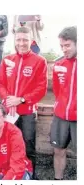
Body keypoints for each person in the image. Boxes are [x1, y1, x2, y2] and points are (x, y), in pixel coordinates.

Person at [0, 26, 48, 180]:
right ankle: (10, 173)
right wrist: (8, 100)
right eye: (18, 39)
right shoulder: (7, 60)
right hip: (9, 111)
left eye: (25, 39)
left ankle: (30, 175)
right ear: (14, 40)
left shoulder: (39, 61)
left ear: (31, 40)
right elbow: (0, 83)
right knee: (8, 144)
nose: (22, 43)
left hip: (27, 112)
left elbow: (41, 88)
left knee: (28, 145)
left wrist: (22, 99)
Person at [51, 26, 77, 180]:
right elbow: (56, 90)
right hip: (60, 117)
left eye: (67, 45)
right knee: (58, 150)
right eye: (61, 46)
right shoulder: (59, 64)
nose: (64, 49)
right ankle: (57, 179)